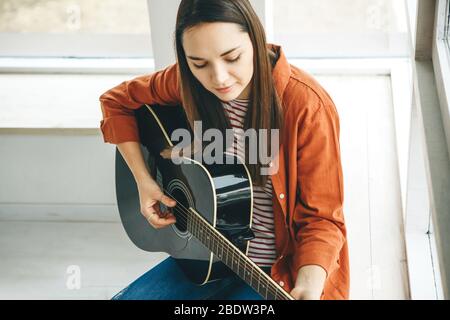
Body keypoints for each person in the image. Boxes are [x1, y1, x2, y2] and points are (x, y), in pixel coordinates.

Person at [99, 0, 349, 300]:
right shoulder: (186, 82)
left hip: (276, 272)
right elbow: (116, 102)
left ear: (255, 39)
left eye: (232, 57)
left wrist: (308, 285)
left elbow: (322, 219)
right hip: (206, 253)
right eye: (199, 63)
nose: (218, 78)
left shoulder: (307, 106)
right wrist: (144, 180)